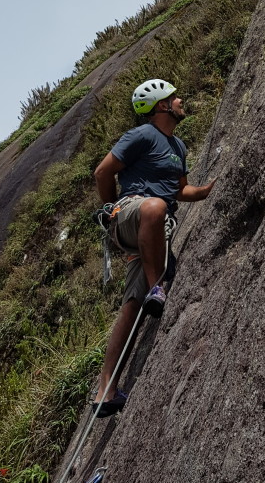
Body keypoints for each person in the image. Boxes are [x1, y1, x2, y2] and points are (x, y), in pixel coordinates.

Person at [92, 79, 216, 417]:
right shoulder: (142, 135)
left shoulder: (179, 147)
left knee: (131, 306)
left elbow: (180, 191)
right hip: (131, 212)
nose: (180, 100)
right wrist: (110, 210)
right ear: (161, 106)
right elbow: (103, 172)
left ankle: (106, 390)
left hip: (152, 229)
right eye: (174, 97)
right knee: (154, 207)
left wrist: (205, 192)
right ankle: (157, 287)